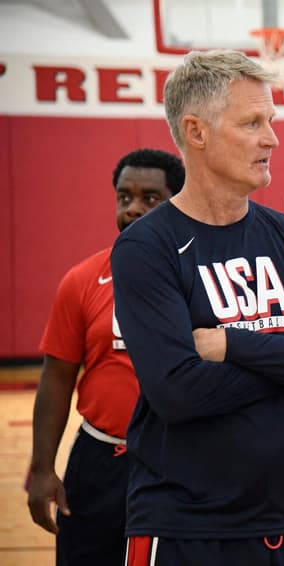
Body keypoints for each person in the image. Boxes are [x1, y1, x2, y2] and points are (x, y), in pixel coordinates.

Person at [110, 50, 284, 566]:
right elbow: (177, 391)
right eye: (252, 122)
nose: (271, 138)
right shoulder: (146, 248)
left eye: (270, 121)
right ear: (196, 132)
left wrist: (233, 344)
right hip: (185, 527)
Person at [27, 148, 184, 566]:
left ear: (178, 203)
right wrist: (42, 469)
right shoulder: (82, 280)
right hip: (100, 459)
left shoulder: (202, 281)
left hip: (180, 460)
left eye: (151, 198)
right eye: (124, 197)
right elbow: (57, 378)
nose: (133, 208)